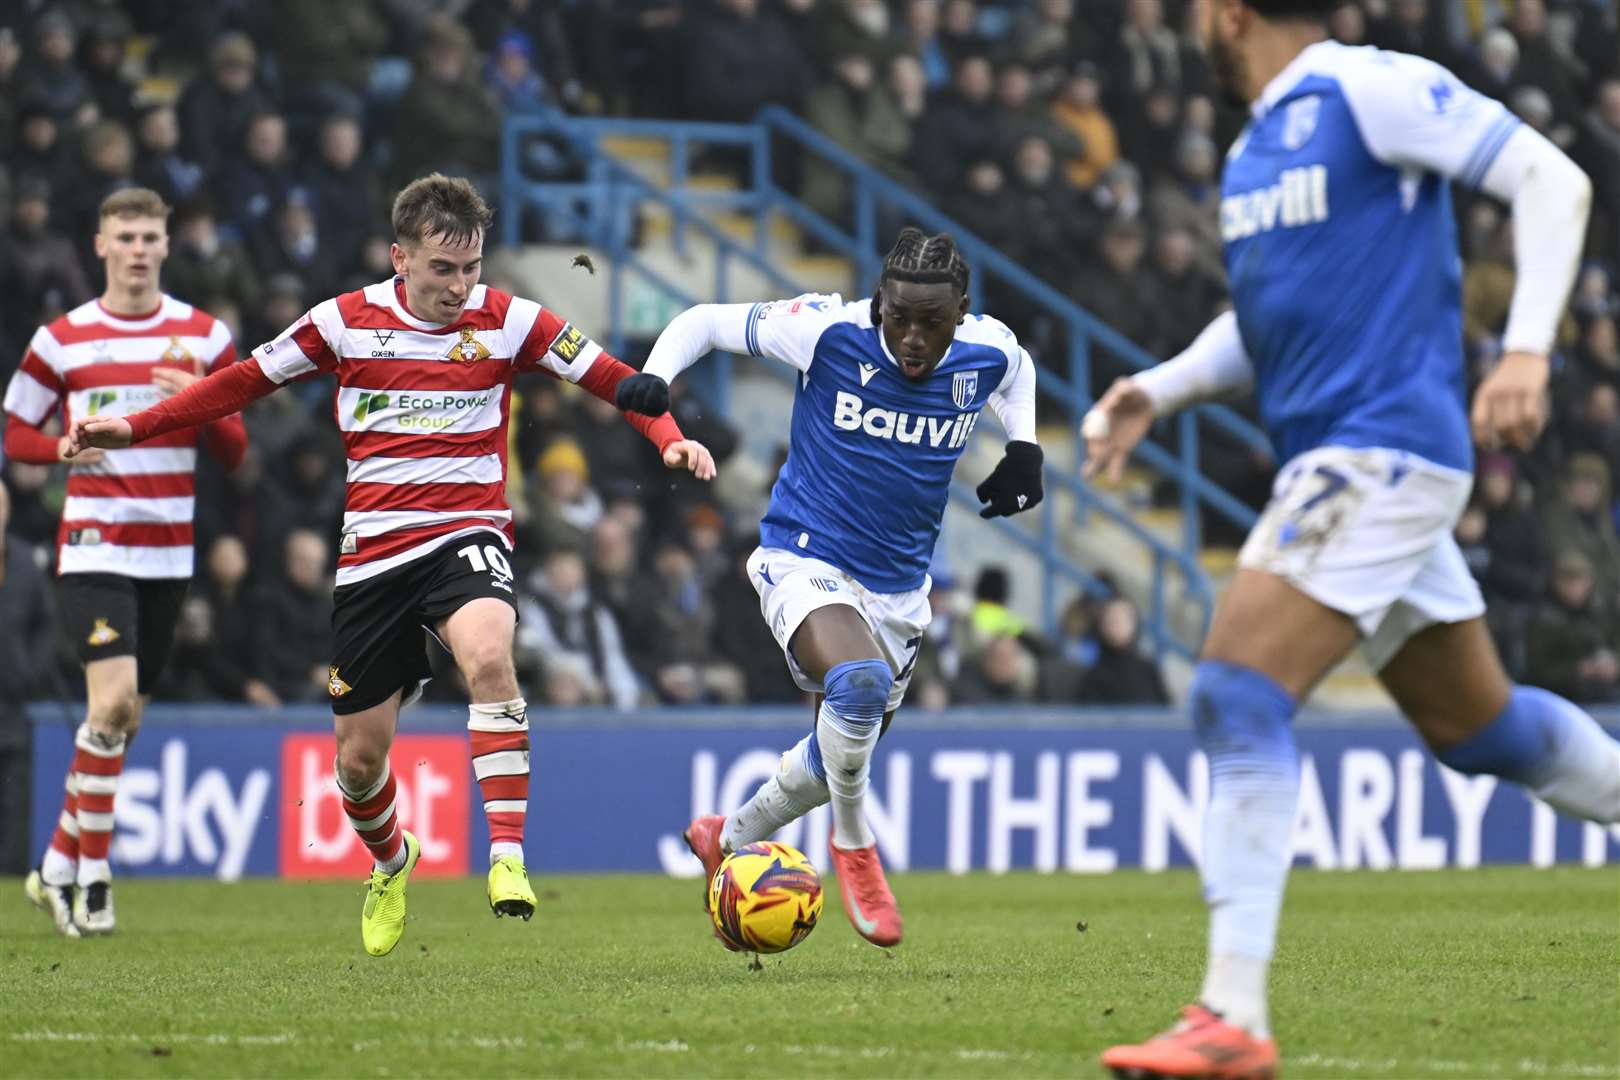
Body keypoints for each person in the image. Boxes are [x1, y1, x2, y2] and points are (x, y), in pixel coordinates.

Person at [1083, 3, 1620, 1077]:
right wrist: (1159, 388)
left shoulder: (1365, 88)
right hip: (1345, 465)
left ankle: (1231, 1015)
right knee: (1484, 731)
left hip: (1381, 452)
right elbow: (1268, 320)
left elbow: (1553, 180)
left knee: (1236, 691)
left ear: (1228, 13)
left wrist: (1525, 354)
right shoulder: (1252, 152)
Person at [68, 174, 716, 957]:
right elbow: (237, 385)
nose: (460, 285)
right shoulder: (342, 324)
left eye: (471, 267)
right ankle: (390, 860)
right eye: (443, 268)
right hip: (373, 554)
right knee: (359, 760)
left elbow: (618, 381)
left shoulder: (509, 321)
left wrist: (669, 436)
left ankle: (506, 858)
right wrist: (135, 427)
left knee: (488, 653)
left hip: (466, 532)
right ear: (398, 257)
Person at [619, 228, 1042, 948]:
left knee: (834, 750)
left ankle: (730, 832)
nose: (911, 338)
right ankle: (855, 844)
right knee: (857, 682)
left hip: (900, 592)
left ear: (961, 312)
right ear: (879, 302)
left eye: (931, 324)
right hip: (802, 556)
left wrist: (1024, 445)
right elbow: (703, 322)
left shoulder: (986, 347)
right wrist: (657, 376)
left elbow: (1019, 369)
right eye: (898, 317)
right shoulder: (828, 330)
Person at [3, 187, 248, 937]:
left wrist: (205, 403)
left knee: (124, 722)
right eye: (126, 237)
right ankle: (95, 877)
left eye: (150, 236)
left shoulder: (205, 337)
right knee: (108, 706)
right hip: (93, 547)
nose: (139, 249)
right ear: (100, 246)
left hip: (168, 555)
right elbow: (16, 436)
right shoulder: (62, 339)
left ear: (167, 246)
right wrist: (62, 449)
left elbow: (237, 453)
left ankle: (52, 866)